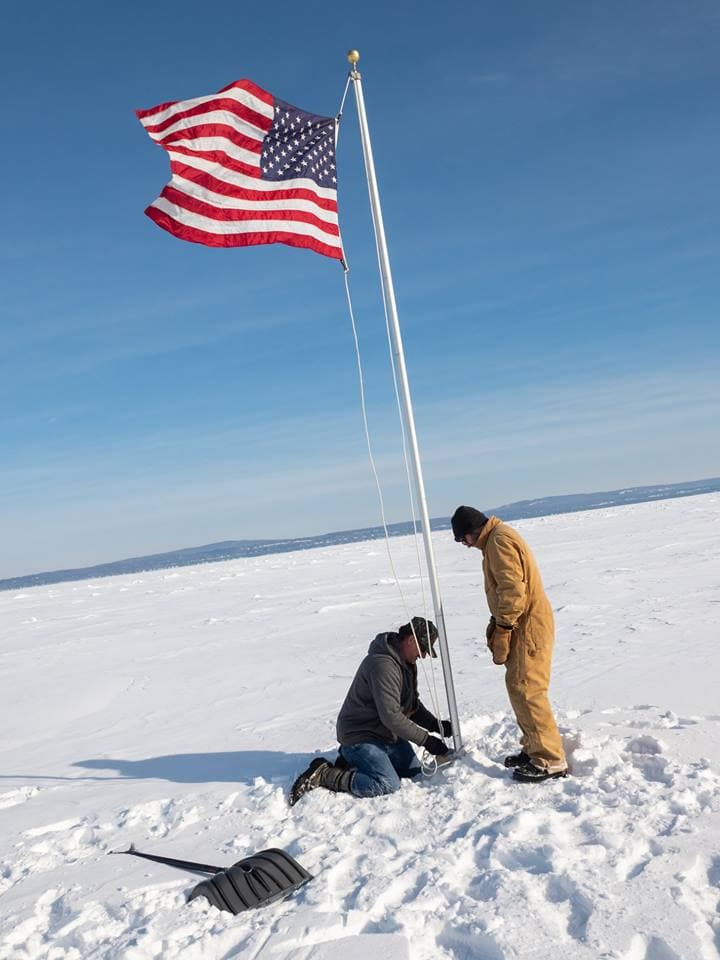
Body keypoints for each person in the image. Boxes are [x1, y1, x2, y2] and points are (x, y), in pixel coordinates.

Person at [451, 505, 568, 783]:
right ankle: (533, 748)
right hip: (522, 625)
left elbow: (513, 590)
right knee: (517, 686)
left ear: (471, 532)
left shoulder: (499, 541)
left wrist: (504, 626)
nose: (464, 545)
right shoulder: (495, 540)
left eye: (462, 539)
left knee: (528, 690)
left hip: (527, 626)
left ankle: (549, 760)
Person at [289, 617, 452, 805]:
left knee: (413, 773)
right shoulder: (383, 665)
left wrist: (434, 725)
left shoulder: (405, 663)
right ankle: (325, 774)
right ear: (411, 640)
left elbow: (410, 704)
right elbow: (391, 716)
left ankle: (353, 762)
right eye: (423, 649)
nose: (423, 656)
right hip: (361, 735)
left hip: (384, 734)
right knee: (388, 785)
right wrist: (427, 740)